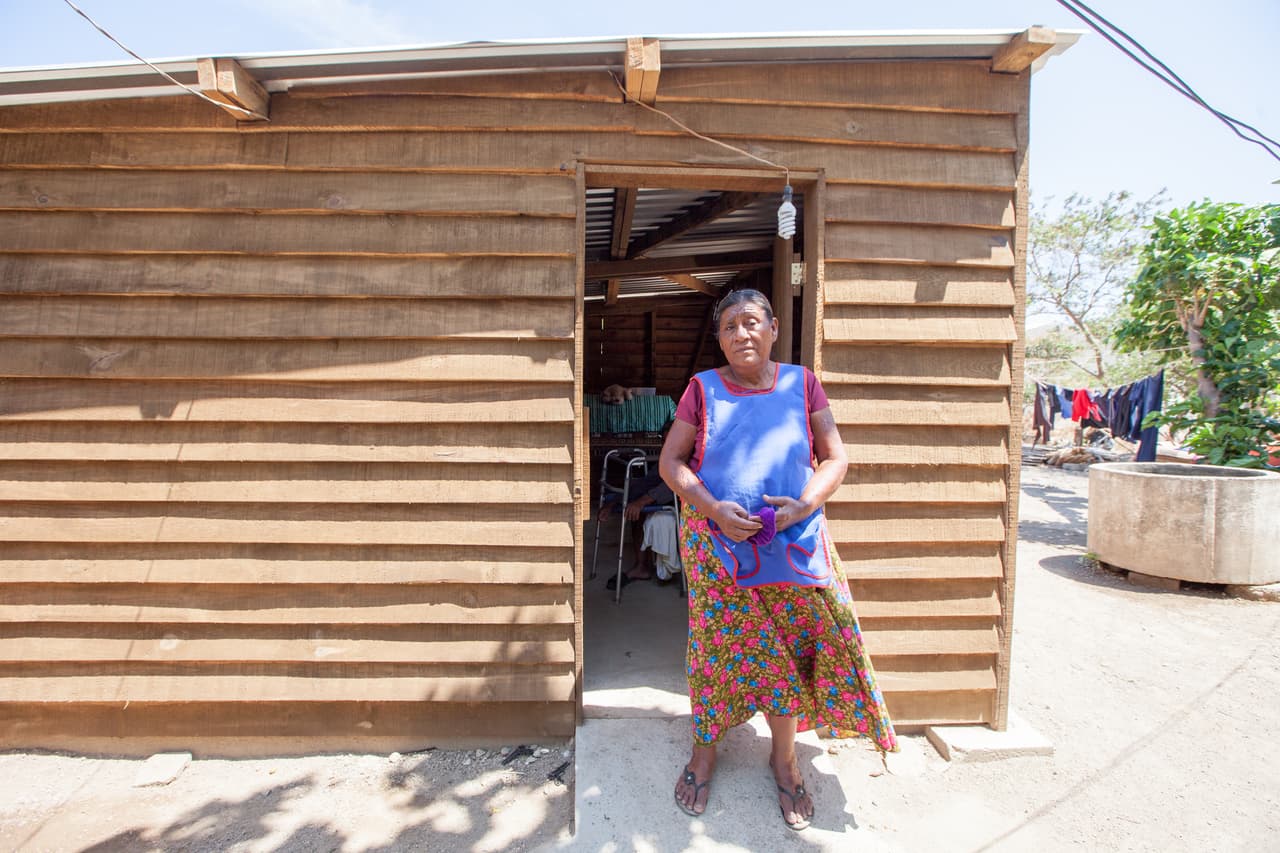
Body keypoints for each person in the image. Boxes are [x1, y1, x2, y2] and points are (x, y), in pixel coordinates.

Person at [658, 288, 897, 831]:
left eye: (750, 323)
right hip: (719, 546)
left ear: (772, 329)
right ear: (719, 339)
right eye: (728, 327)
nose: (740, 334)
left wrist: (805, 505)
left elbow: (835, 457)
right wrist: (714, 508)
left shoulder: (802, 383)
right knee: (715, 649)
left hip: (794, 543)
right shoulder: (702, 389)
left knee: (788, 648)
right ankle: (705, 752)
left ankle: (784, 759)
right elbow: (672, 463)